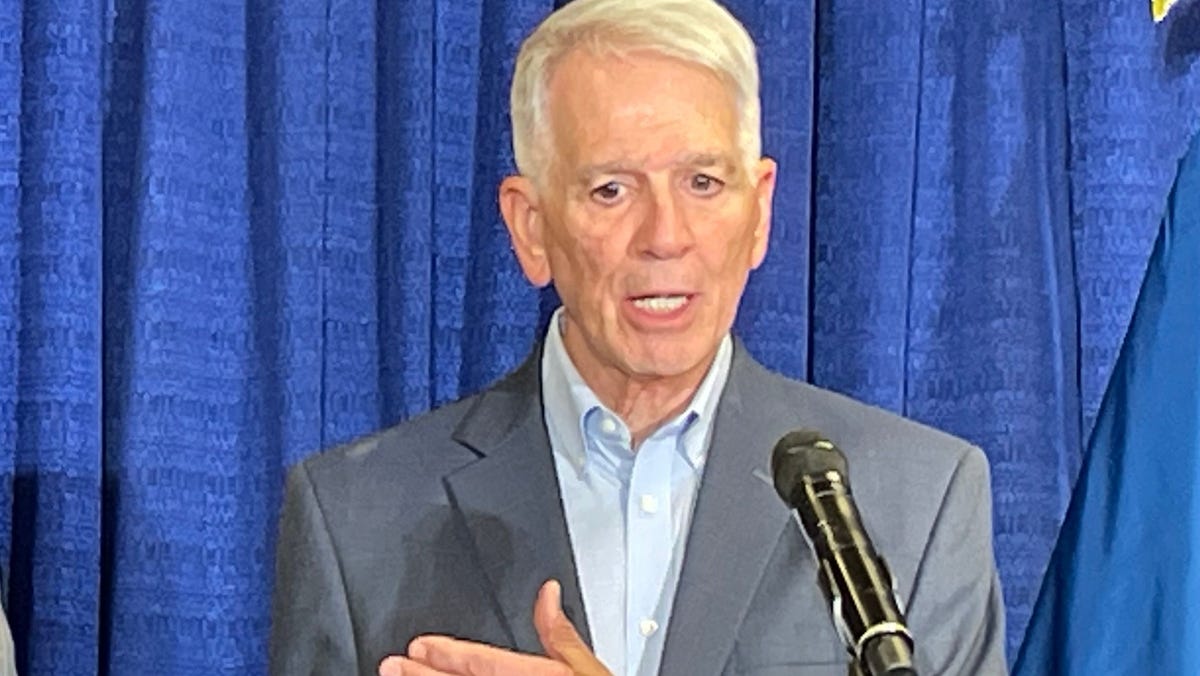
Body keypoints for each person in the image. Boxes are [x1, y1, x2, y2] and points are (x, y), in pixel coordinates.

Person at [269, 0, 1008, 674]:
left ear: (759, 213)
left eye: (703, 184)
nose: (665, 237)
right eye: (611, 190)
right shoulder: (356, 519)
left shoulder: (917, 502)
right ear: (531, 228)